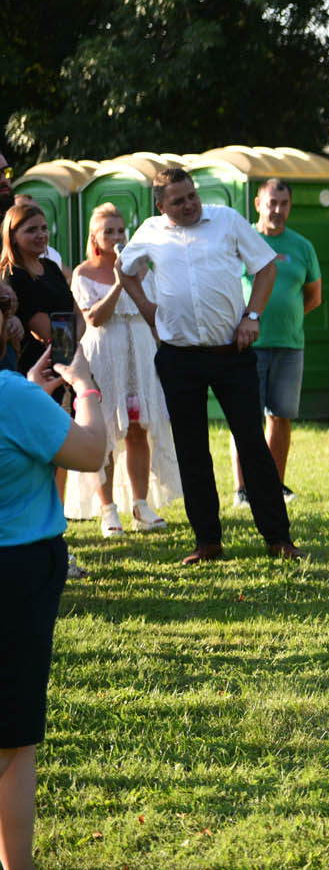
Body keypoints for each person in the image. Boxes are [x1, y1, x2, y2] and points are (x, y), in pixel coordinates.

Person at [117, 167, 306, 563]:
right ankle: (207, 542)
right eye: (178, 201)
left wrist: (252, 316)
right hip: (177, 356)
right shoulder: (150, 232)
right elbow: (125, 268)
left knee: (254, 446)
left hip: (231, 355)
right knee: (191, 450)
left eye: (191, 196)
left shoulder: (226, 220)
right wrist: (148, 309)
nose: (188, 205)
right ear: (160, 205)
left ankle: (278, 538)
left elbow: (266, 267)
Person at [1, 344, 108, 870]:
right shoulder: (11, 398)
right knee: (14, 739)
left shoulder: (17, 398)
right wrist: (85, 388)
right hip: (16, 573)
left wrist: (31, 398)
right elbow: (91, 452)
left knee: (15, 738)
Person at [63, 203, 178, 536]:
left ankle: (141, 505)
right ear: (95, 238)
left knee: (139, 428)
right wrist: (117, 283)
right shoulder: (84, 273)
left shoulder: (142, 269)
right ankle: (107, 509)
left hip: (139, 353)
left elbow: (154, 313)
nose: (116, 237)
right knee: (107, 432)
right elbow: (93, 318)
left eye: (120, 230)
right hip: (104, 354)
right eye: (108, 231)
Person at [230, 178, 321, 508]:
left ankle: (274, 485)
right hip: (246, 346)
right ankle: (242, 489)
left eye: (284, 204)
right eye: (272, 203)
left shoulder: (302, 246)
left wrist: (288, 317)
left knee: (280, 417)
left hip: (289, 345)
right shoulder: (241, 242)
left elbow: (313, 295)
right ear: (258, 204)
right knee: (245, 418)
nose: (278, 210)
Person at [1, 202, 82, 379]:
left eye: (44, 228)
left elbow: (78, 313)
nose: (41, 235)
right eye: (31, 230)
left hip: (65, 362)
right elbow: (45, 331)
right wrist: (72, 340)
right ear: (13, 236)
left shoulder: (51, 267)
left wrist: (71, 340)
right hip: (36, 369)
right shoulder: (14, 275)